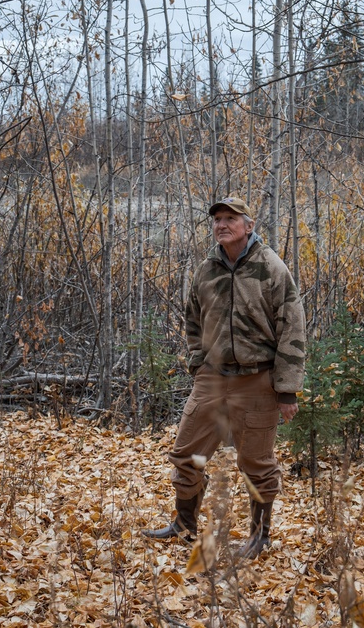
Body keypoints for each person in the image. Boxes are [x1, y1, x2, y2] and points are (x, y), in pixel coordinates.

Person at [143, 196, 306, 560]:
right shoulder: (207, 270)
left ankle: (258, 538)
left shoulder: (272, 268)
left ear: (249, 225)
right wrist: (198, 364)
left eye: (231, 218)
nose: (222, 224)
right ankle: (184, 525)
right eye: (217, 218)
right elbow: (192, 320)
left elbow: (292, 329)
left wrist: (287, 389)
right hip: (212, 379)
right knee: (186, 455)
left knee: (257, 464)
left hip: (258, 380)